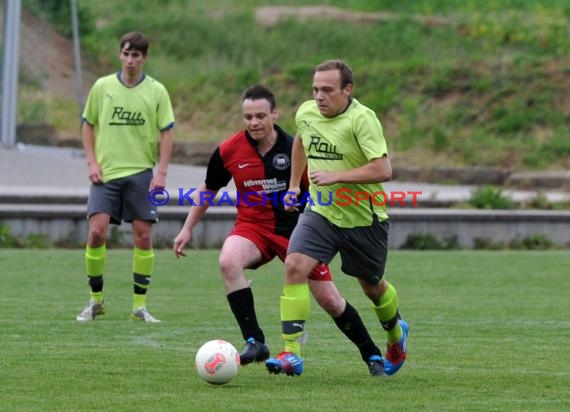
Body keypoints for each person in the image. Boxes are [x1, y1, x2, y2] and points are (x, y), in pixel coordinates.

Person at [173, 84, 387, 376]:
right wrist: (187, 229)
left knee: (329, 300)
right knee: (228, 261)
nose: (254, 123)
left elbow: (320, 193)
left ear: (275, 113)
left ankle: (372, 354)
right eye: (248, 117)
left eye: (260, 115)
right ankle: (255, 341)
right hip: (253, 229)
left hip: (295, 232)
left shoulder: (295, 148)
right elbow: (208, 189)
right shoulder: (228, 150)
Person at [265, 60, 409, 376]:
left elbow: (383, 169)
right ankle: (292, 352)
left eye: (327, 90)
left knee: (372, 287)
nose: (319, 96)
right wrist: (293, 186)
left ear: (347, 90)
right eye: (315, 89)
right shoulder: (306, 113)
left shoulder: (362, 119)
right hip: (321, 211)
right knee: (294, 265)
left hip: (364, 218)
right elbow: (302, 140)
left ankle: (396, 336)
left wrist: (336, 176)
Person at [76, 31, 175, 323]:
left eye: (137, 55)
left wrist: (162, 173)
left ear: (144, 58)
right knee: (96, 232)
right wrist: (91, 161)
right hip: (106, 175)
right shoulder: (102, 86)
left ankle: (139, 306)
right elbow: (87, 124)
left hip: (142, 173)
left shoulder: (157, 91)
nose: (131, 60)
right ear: (120, 54)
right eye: (126, 53)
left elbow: (167, 132)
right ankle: (95, 301)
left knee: (143, 237)